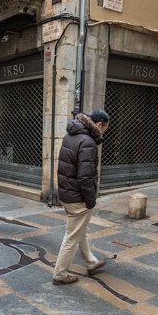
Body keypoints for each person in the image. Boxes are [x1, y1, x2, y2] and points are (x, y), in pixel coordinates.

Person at [52, 110, 110, 285]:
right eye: (105, 129)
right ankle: (60, 275)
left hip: (67, 193)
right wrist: (90, 200)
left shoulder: (70, 135)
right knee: (71, 237)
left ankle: (91, 262)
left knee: (79, 230)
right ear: (99, 125)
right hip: (77, 197)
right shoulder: (88, 142)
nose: (104, 132)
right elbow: (85, 177)